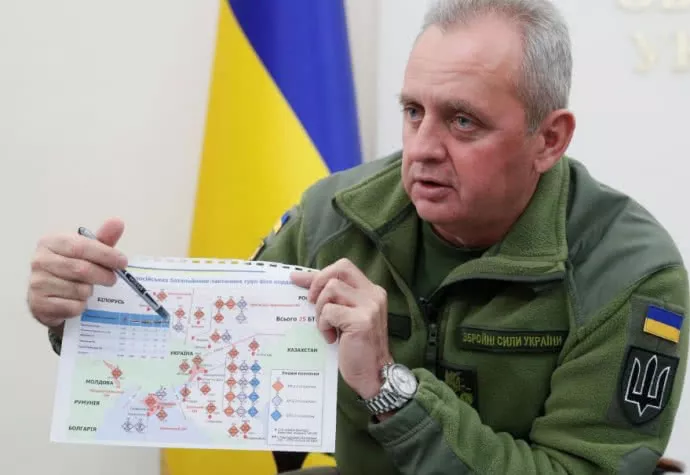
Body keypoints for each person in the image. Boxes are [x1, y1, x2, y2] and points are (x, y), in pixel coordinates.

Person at [28, 0, 688, 473]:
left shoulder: (629, 272)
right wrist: (88, 312)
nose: (422, 149)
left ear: (549, 138)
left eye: (462, 122)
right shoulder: (336, 217)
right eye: (413, 111)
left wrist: (388, 386)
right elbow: (209, 369)